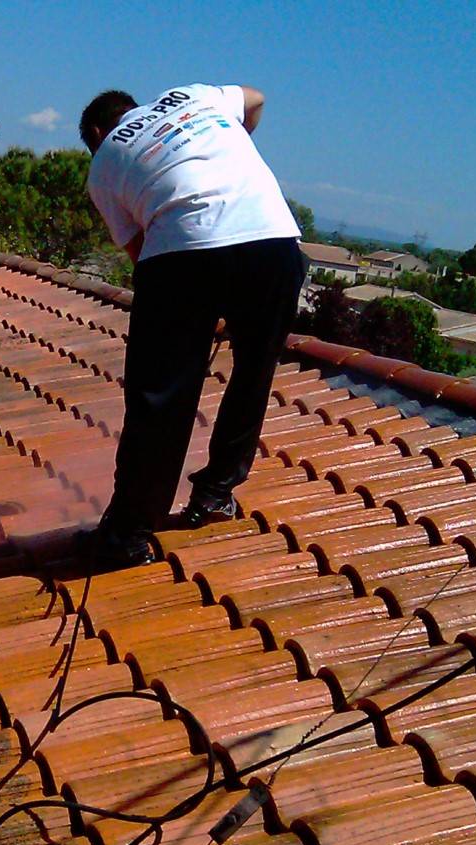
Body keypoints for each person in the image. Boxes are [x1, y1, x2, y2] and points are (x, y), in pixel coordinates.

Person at [75, 83, 307, 569]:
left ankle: (127, 534)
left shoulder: (105, 160)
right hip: (273, 240)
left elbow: (142, 253)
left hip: (183, 254)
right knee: (254, 372)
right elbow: (257, 98)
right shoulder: (193, 95)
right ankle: (216, 495)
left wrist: (197, 303)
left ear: (97, 133)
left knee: (161, 397)